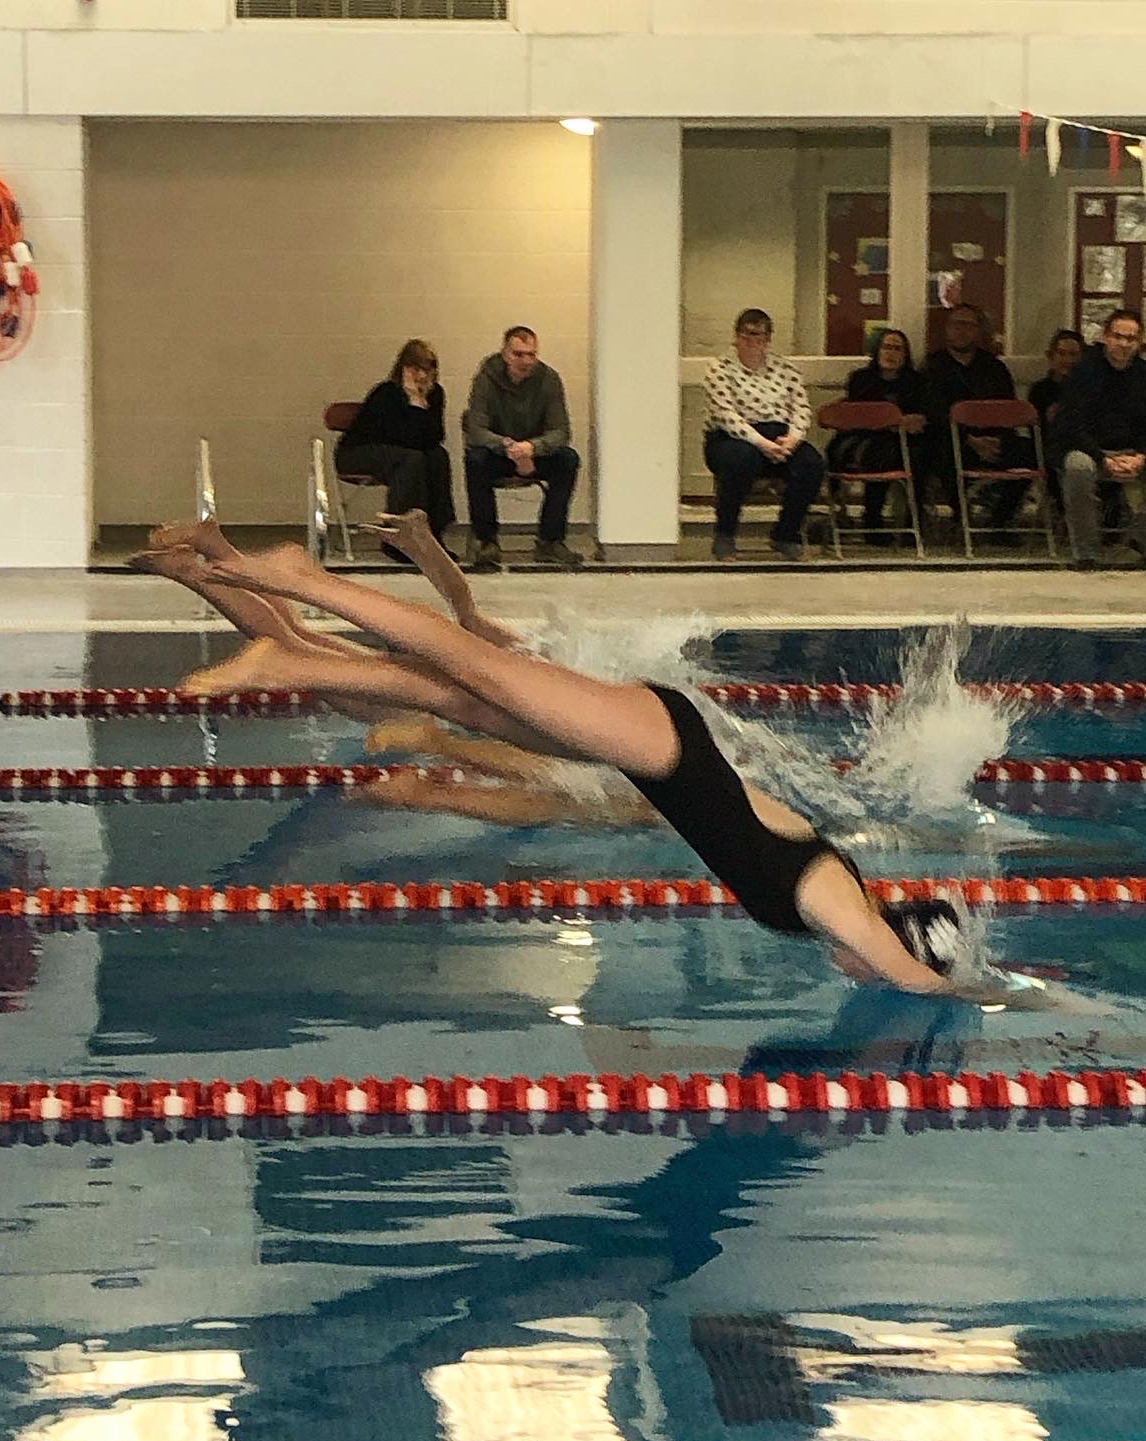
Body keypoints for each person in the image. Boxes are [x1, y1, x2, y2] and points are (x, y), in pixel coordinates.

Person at [133, 522, 973, 995]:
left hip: (656, 754)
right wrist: (979, 990)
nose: (861, 972)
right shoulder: (835, 899)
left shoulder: (831, 884)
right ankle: (300, 580)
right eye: (888, 956)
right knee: (470, 662)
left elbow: (747, 806)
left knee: (460, 697)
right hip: (659, 743)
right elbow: (904, 971)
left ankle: (288, 652)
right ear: (901, 937)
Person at [702, 308, 825, 562]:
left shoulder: (785, 368)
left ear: (767, 339)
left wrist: (793, 439)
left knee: (812, 463)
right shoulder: (720, 368)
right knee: (740, 460)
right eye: (745, 335)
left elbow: (801, 407)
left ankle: (786, 534)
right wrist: (762, 443)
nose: (751, 341)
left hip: (780, 435)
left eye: (757, 336)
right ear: (736, 337)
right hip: (733, 437)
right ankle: (725, 535)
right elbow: (726, 414)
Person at [463, 325, 582, 570]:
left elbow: (561, 431)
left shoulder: (549, 379)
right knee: (475, 459)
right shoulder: (486, 378)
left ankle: (550, 540)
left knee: (568, 459)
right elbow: (476, 429)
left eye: (532, 355)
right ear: (505, 354)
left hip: (534, 452)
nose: (526, 361)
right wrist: (507, 446)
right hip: (499, 452)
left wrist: (532, 448)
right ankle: (486, 540)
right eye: (519, 354)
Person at [334, 338, 455, 561]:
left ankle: (433, 534)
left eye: (427, 370)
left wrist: (420, 402)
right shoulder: (387, 393)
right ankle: (398, 535)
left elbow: (435, 436)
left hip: (402, 453)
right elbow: (400, 437)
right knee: (411, 460)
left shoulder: (435, 394)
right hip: (357, 452)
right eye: (416, 369)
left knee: (438, 456)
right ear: (403, 368)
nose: (422, 376)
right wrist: (413, 402)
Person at [1050, 307, 1146, 570]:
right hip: (1086, 450)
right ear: (1105, 337)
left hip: (1131, 452)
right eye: (1118, 336)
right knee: (1078, 468)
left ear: (1139, 342)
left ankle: (1139, 542)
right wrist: (1103, 458)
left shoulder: (1143, 375)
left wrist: (1140, 455)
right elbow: (1071, 427)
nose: (1124, 344)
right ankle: (1087, 553)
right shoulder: (1083, 373)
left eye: (1131, 338)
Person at [922, 303, 1026, 532]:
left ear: (978, 330)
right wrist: (970, 439)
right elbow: (934, 412)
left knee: (1032, 453)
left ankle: (1000, 519)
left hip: (995, 440)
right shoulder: (933, 367)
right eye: (957, 324)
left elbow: (1007, 408)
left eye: (968, 325)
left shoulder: (995, 368)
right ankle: (962, 516)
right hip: (955, 441)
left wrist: (996, 440)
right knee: (939, 450)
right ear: (948, 329)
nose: (962, 330)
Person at [827, 328, 928, 533]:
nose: (891, 353)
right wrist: (892, 421)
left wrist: (914, 421)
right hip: (865, 438)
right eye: (887, 347)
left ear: (905, 354)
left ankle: (913, 522)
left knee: (920, 454)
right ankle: (872, 517)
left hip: (905, 441)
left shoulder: (916, 382)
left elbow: (921, 415)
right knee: (881, 453)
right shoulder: (860, 379)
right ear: (877, 351)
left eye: (897, 349)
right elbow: (858, 414)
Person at [1027, 328, 1085, 427]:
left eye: (1073, 354)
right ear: (1051, 357)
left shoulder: (1090, 388)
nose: (1068, 360)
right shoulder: (1039, 391)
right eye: (1061, 353)